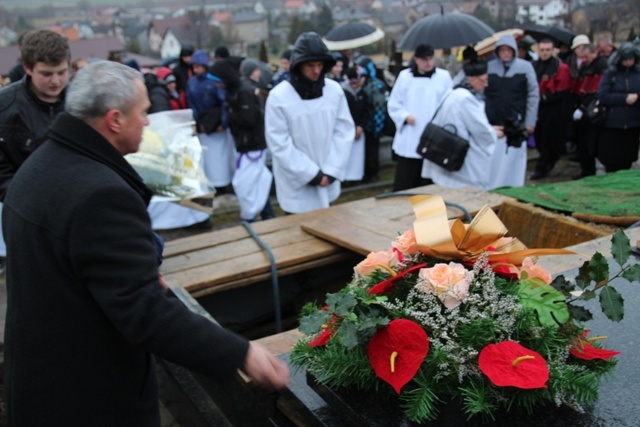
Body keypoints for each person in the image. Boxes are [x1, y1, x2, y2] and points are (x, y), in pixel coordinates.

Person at [2, 60, 290, 426]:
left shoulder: (42, 164)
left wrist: (126, 271)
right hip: (89, 396)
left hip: (39, 380)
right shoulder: (101, 194)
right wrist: (241, 353)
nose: (149, 121)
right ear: (115, 119)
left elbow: (69, 264)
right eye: (144, 112)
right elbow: (145, 313)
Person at [0, 29, 70, 270]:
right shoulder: (4, 107)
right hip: (26, 215)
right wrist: (31, 202)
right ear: (28, 68)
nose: (56, 81)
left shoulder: (81, 101)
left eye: (62, 72)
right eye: (46, 74)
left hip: (75, 208)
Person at [265, 32, 354, 214]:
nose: (316, 71)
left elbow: (343, 131)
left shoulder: (334, 91)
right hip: (297, 184)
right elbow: (279, 144)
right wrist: (312, 174)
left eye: (320, 65)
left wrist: (331, 170)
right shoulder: (279, 97)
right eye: (310, 65)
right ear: (298, 66)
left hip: (328, 176)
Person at [420, 59, 503, 191]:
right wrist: (495, 133)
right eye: (484, 80)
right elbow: (481, 131)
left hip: (443, 150)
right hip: (459, 161)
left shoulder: (454, 92)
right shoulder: (466, 99)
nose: (486, 85)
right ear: (473, 79)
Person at [211, 58, 275, 222]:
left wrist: (232, 114)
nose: (217, 85)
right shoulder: (236, 91)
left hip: (251, 145)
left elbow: (249, 120)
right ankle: (264, 214)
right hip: (246, 145)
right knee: (256, 182)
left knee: (245, 184)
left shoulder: (244, 91)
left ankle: (251, 216)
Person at [387, 43, 453, 191]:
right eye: (425, 59)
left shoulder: (443, 77)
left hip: (434, 134)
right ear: (416, 59)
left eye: (431, 58)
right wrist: (404, 116)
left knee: (429, 180)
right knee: (407, 177)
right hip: (411, 133)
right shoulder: (405, 77)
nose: (429, 63)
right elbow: (394, 102)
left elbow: (450, 102)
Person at [484, 34, 539, 188]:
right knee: (494, 159)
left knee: (514, 158)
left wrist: (530, 121)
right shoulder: (490, 67)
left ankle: (514, 186)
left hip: (516, 122)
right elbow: (482, 93)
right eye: (502, 50)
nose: (506, 53)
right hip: (494, 120)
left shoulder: (525, 67)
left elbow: (533, 94)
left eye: (509, 50)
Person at [186, 49, 235, 193]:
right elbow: (191, 104)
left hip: (217, 126)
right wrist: (197, 122)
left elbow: (223, 103)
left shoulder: (214, 81)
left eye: (198, 66)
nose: (195, 70)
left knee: (221, 157)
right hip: (204, 127)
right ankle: (213, 184)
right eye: (193, 67)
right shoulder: (191, 83)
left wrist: (223, 123)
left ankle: (225, 183)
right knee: (208, 159)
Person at [530, 38, 572, 179]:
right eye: (542, 50)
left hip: (553, 108)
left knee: (548, 139)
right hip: (536, 107)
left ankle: (542, 167)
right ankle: (545, 163)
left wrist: (543, 97)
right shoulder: (533, 65)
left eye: (548, 50)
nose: (545, 53)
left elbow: (562, 92)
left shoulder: (560, 67)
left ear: (553, 50)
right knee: (539, 137)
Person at [596, 42, 640, 172]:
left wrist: (637, 97)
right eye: (625, 59)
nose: (628, 62)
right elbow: (603, 95)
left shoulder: (637, 75)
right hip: (613, 122)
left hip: (633, 122)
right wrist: (624, 99)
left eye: (631, 59)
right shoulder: (611, 74)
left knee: (628, 157)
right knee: (612, 158)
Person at [571, 43, 607, 179]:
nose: (584, 60)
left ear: (594, 53)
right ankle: (586, 170)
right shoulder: (587, 66)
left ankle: (592, 171)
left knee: (592, 145)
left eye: (586, 57)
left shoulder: (600, 66)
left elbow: (596, 91)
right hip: (583, 109)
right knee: (583, 144)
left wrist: (583, 108)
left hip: (593, 112)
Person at [357, 56, 388, 183]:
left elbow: (379, 107)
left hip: (374, 124)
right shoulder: (367, 83)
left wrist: (378, 126)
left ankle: (373, 174)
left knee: (372, 150)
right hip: (367, 123)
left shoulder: (376, 85)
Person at [341, 66, 367, 184]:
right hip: (346, 129)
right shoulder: (343, 93)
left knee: (357, 156)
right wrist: (351, 127)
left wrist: (361, 126)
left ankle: (355, 177)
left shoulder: (362, 93)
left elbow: (366, 111)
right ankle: (344, 177)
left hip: (358, 130)